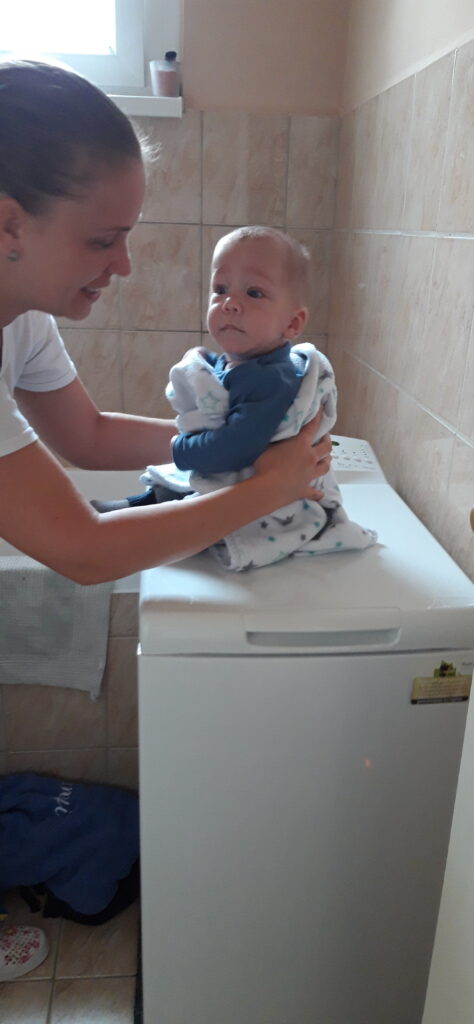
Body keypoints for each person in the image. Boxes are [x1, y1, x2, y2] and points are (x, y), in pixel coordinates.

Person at [0, 63, 331, 974]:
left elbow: (90, 434)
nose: (125, 265)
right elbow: (80, 549)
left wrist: (253, 446)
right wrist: (266, 488)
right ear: (9, 223)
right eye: (103, 239)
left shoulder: (20, 313)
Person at [94, 226, 376, 570]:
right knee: (180, 488)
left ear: (292, 323)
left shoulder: (272, 378)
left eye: (254, 293)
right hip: (249, 477)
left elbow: (234, 447)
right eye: (221, 289)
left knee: (192, 487)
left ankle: (133, 512)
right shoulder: (243, 364)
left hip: (268, 497)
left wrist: (181, 448)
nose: (230, 303)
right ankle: (134, 507)